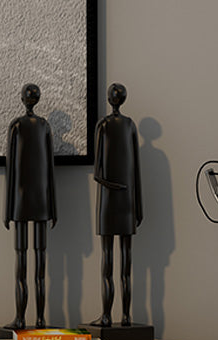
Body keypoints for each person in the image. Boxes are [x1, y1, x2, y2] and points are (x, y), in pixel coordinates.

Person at [3, 84, 56, 329]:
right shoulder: (44, 126)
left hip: (22, 200)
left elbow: (11, 171)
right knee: (40, 266)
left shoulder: (16, 126)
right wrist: (54, 207)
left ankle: (22, 317)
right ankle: (40, 319)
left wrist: (7, 209)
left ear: (23, 98)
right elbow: (51, 171)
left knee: (22, 264)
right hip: (43, 201)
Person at [92, 83, 142, 327]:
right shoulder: (129, 125)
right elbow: (137, 173)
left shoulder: (104, 125)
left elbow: (97, 172)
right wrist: (138, 206)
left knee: (110, 263)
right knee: (124, 264)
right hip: (126, 201)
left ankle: (110, 315)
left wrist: (116, 188)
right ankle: (122, 316)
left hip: (112, 200)